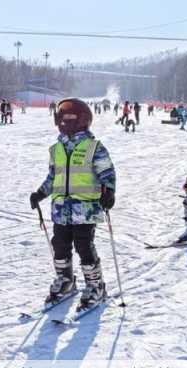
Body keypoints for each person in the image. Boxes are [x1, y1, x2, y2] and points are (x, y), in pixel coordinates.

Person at [29, 98, 116, 310]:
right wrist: (40, 193)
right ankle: (66, 280)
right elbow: (53, 177)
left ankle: (96, 285)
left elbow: (107, 173)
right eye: (63, 118)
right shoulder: (56, 149)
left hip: (85, 209)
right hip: (61, 210)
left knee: (84, 246)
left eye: (71, 118)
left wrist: (109, 191)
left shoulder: (94, 147)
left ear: (82, 120)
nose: (65, 122)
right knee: (59, 244)